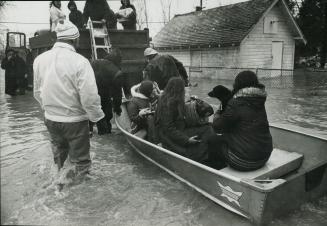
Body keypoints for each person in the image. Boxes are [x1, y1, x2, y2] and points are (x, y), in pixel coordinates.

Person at [33, 21, 104, 177]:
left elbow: (37, 92)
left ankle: (57, 187)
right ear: (75, 40)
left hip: (50, 119)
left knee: (59, 158)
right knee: (81, 163)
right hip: (75, 121)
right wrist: (96, 117)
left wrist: (49, 111)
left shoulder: (39, 60)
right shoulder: (80, 62)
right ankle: (77, 196)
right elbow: (89, 97)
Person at [208, 71, 273, 171]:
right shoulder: (259, 100)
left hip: (244, 162)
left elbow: (217, 127)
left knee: (213, 139)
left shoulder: (235, 103)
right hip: (264, 157)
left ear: (237, 84)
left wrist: (218, 112)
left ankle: (217, 171)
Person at [154, 77, 215, 163]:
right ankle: (197, 157)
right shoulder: (167, 104)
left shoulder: (171, 99)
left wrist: (192, 101)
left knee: (209, 126)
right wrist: (186, 140)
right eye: (183, 88)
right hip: (168, 135)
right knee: (208, 130)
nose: (184, 90)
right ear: (178, 90)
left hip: (178, 129)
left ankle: (202, 154)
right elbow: (168, 128)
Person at [91, 49, 124, 134]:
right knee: (106, 118)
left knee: (89, 121)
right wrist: (117, 108)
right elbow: (117, 94)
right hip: (104, 96)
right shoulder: (117, 72)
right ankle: (105, 135)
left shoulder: (94, 63)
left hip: (90, 95)